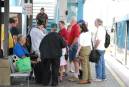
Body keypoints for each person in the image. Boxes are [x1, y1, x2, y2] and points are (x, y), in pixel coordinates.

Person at [30, 19, 47, 83]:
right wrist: (42, 31)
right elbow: (45, 37)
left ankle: (35, 75)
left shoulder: (32, 30)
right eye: (42, 26)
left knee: (35, 63)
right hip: (39, 49)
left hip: (33, 49)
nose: (42, 28)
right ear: (41, 25)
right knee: (39, 63)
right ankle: (39, 77)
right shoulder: (39, 31)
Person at [68, 16, 81, 81]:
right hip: (72, 46)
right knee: (74, 60)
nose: (70, 22)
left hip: (74, 46)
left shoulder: (76, 27)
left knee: (75, 61)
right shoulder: (74, 27)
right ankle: (76, 75)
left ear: (74, 21)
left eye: (71, 21)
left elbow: (76, 38)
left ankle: (76, 76)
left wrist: (71, 45)